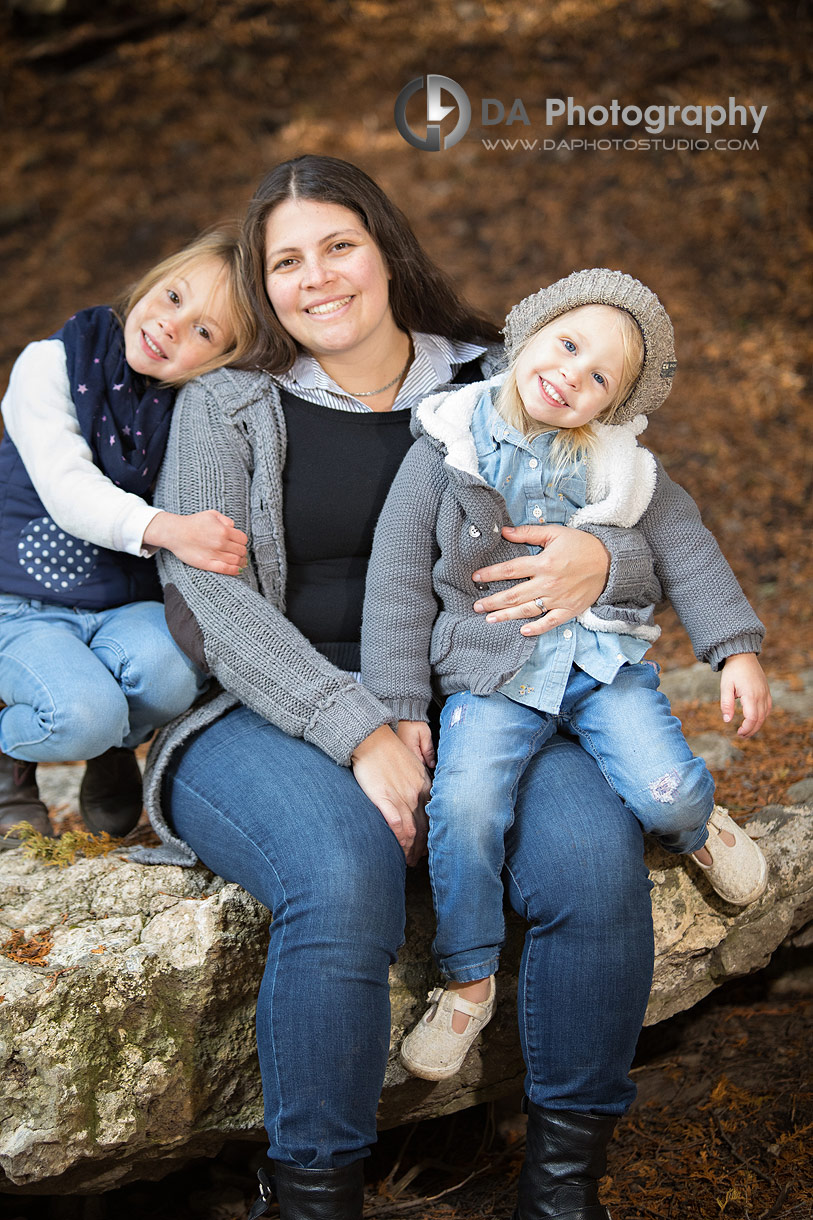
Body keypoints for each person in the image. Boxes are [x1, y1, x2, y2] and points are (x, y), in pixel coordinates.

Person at [133, 156, 661, 1220]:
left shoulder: (499, 378)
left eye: (339, 246)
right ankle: (313, 1199)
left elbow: (646, 524)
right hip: (261, 717)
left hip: (493, 705)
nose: (316, 277)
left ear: (385, 249)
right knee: (341, 868)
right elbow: (211, 601)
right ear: (261, 281)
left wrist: (606, 566)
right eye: (286, 261)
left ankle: (561, 1193)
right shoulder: (227, 405)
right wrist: (363, 730)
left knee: (595, 855)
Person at [361, 268, 771, 1084]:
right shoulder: (448, 446)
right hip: (492, 675)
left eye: (598, 379)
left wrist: (735, 648)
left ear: (612, 406)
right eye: (566, 345)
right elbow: (396, 578)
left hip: (599, 663)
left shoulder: (620, 466)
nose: (570, 376)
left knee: (668, 790)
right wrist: (401, 705)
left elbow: (684, 548)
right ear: (527, 335)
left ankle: (700, 828)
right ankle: (467, 980)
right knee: (466, 806)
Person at [0, 229, 256, 847]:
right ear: (151, 282)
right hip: (25, 604)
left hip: (120, 607)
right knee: (81, 714)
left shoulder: (194, 406)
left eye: (204, 332)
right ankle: (11, 760)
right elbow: (67, 490)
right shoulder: (51, 362)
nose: (172, 326)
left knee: (174, 677)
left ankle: (110, 747)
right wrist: (169, 530)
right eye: (172, 297)